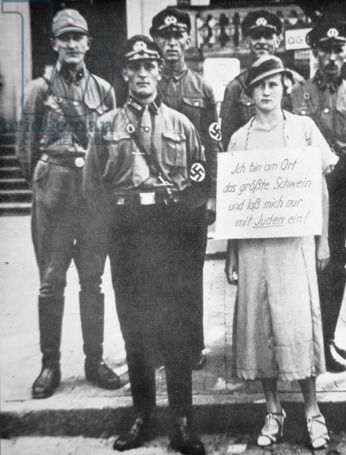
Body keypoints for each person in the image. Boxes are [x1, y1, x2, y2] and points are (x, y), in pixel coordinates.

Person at [84, 35, 208, 454]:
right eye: (133, 66)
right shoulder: (105, 127)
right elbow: (93, 191)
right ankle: (141, 415)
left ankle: (183, 421)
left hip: (170, 233)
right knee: (135, 326)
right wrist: (107, 241)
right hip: (127, 231)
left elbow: (198, 186)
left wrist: (190, 249)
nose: (142, 73)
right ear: (124, 73)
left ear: (159, 71)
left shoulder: (181, 124)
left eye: (149, 66)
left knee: (176, 328)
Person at [225, 55, 337, 450]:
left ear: (285, 87)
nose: (267, 91)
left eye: (274, 83)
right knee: (260, 324)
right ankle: (273, 408)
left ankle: (311, 409)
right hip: (255, 247)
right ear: (250, 93)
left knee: (298, 324)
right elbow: (234, 201)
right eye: (260, 85)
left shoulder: (304, 129)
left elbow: (320, 189)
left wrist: (323, 240)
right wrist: (233, 254)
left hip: (295, 245)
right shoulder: (240, 139)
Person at [16, 8, 120, 399]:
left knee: (92, 281)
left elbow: (110, 146)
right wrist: (46, 187)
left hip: (93, 201)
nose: (72, 44)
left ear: (89, 44)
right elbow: (25, 151)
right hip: (54, 202)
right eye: (65, 38)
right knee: (50, 282)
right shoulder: (38, 90)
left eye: (79, 37)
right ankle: (50, 364)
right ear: (54, 44)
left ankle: (94, 360)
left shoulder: (105, 91)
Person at [289, 23, 346, 373]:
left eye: (339, 50)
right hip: (301, 197)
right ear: (315, 54)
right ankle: (301, 342)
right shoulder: (295, 96)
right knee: (301, 270)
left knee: (335, 271)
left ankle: (325, 339)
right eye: (326, 50)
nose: (332, 57)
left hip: (340, 199)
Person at [150, 6, 220, 371]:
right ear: (156, 40)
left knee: (191, 275)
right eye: (165, 36)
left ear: (188, 41)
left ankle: (193, 345)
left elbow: (212, 145)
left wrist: (211, 194)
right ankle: (163, 346)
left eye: (178, 36)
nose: (172, 43)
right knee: (159, 272)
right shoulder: (148, 83)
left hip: (191, 198)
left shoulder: (203, 89)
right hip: (156, 200)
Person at [220, 10, 303, 150]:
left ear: (278, 40)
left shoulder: (296, 82)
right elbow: (227, 140)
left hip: (288, 163)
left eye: (268, 37)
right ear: (247, 41)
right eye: (256, 36)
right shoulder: (236, 87)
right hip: (250, 163)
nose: (262, 42)